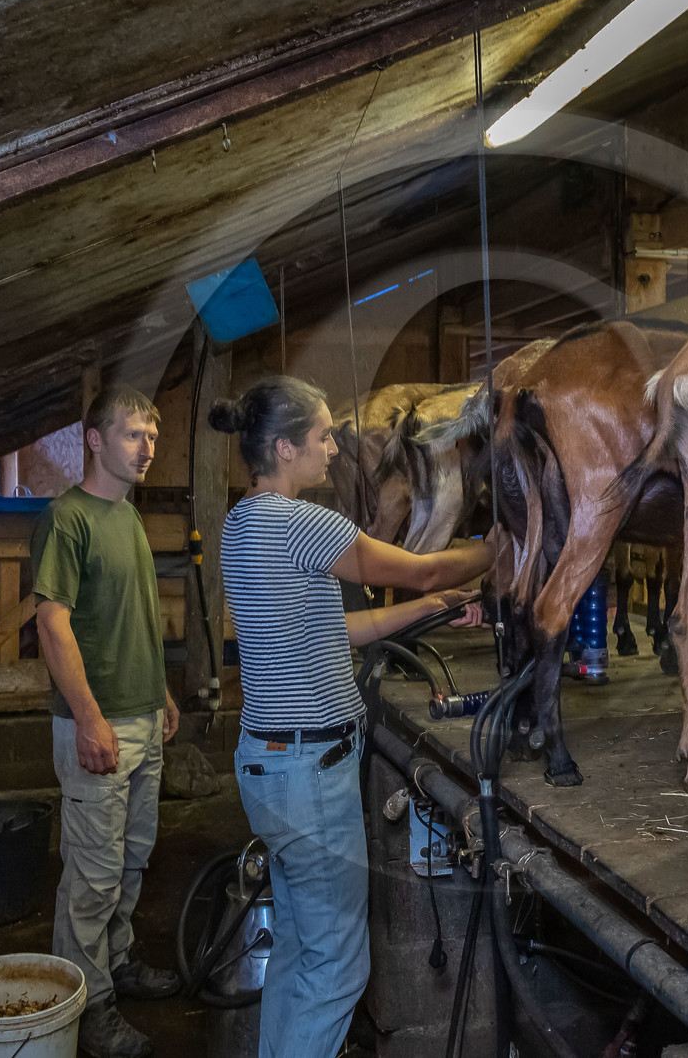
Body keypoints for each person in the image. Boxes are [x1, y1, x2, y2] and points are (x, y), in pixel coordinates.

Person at [211, 376, 490, 1058]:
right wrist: (503, 545)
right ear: (282, 446)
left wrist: (427, 609)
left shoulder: (242, 522)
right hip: (311, 773)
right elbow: (419, 568)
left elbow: (334, 625)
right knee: (340, 969)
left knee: (304, 950)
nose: (334, 448)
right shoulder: (304, 523)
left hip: (269, 764)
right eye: (322, 436)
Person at [31, 385, 184, 1058]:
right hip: (99, 726)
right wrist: (90, 717)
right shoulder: (68, 517)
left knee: (131, 856)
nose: (146, 447)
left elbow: (133, 619)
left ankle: (116, 964)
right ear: (95, 440)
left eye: (152, 435)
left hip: (143, 715)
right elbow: (52, 623)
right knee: (91, 875)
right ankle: (87, 1007)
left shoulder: (128, 515)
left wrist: (161, 694)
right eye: (132, 434)